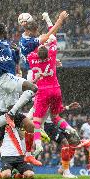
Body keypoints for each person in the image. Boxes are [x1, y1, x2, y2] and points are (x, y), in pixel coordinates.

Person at [27, 12, 79, 156]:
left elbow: (33, 46)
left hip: (42, 91)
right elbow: (53, 36)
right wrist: (49, 20)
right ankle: (70, 129)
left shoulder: (31, 57)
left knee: (36, 122)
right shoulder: (52, 54)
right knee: (55, 117)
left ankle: (37, 145)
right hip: (56, 89)